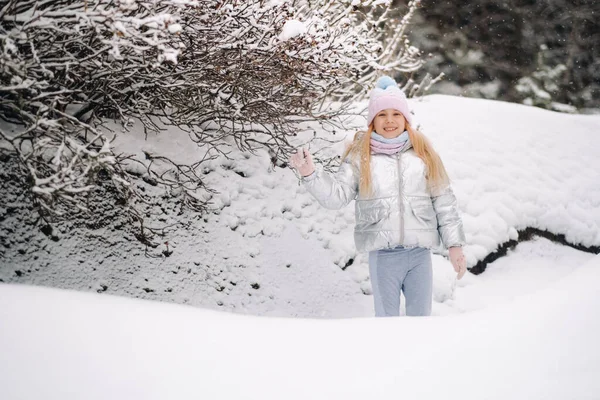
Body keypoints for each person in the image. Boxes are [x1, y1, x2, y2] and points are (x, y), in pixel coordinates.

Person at [288, 76, 467, 317]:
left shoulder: (424, 156)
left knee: (422, 322)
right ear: (373, 120)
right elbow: (337, 196)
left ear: (406, 119)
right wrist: (310, 174)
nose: (390, 120)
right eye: (382, 114)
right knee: (387, 323)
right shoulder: (361, 157)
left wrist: (454, 246)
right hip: (384, 256)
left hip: (419, 256)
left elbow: (445, 204)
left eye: (396, 114)